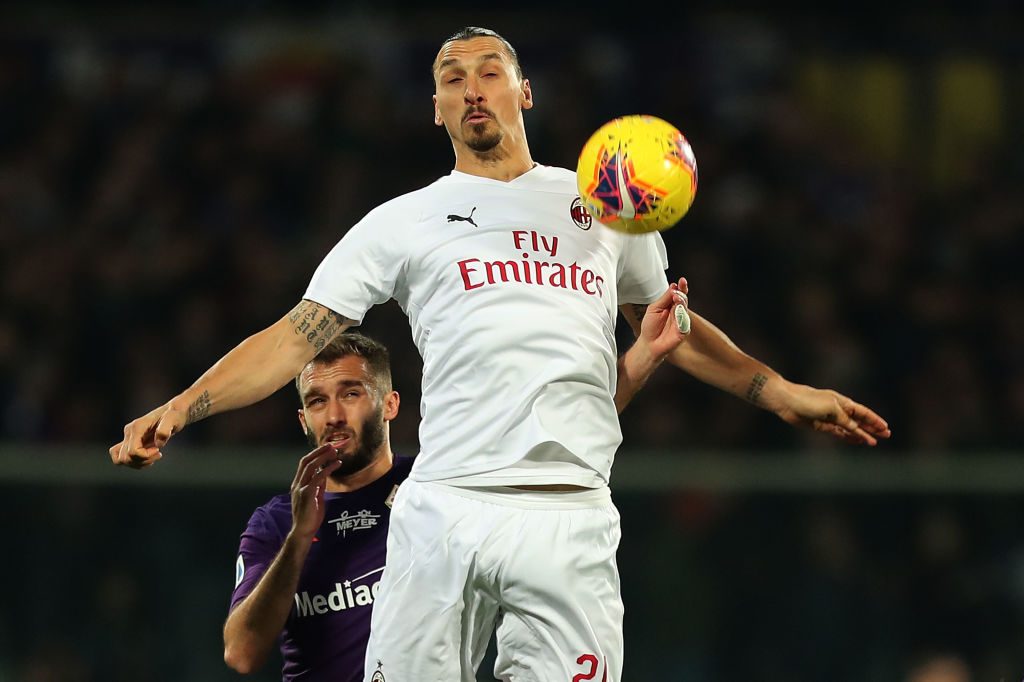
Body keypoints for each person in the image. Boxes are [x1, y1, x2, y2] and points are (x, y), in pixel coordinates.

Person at [110, 26, 890, 682]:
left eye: (491, 72)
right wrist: (183, 406)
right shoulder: (401, 222)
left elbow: (670, 328)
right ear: (438, 108)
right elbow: (293, 337)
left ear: (524, 93)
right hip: (444, 509)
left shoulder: (606, 202)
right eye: (453, 78)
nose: (473, 87)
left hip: (568, 513)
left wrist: (779, 389)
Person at [222, 325, 683, 681]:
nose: (335, 415)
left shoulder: (440, 487)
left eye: (351, 394)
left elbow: (554, 440)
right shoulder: (276, 522)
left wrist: (641, 359)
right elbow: (241, 653)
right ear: (303, 418)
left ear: (390, 404)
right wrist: (301, 538)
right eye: (318, 401)